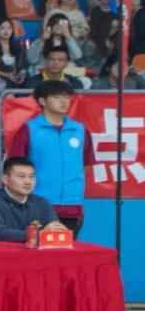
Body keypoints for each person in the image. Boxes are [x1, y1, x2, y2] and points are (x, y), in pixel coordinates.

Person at [8, 81, 94, 235]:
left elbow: (86, 164)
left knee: (68, 248)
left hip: (72, 205)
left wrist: (73, 189)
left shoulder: (80, 130)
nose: (64, 101)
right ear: (42, 101)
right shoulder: (29, 129)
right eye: (57, 97)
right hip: (38, 203)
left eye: (66, 97)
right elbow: (14, 167)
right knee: (37, 247)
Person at [0, 157, 66, 242]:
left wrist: (56, 230)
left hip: (34, 251)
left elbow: (55, 229)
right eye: (21, 176)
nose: (28, 182)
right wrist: (39, 234)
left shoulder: (42, 202)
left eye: (31, 177)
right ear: (5, 179)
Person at [0, 19, 27, 86]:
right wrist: (6, 75)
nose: (6, 31)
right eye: (2, 28)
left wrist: (21, 75)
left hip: (16, 78)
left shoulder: (18, 47)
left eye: (9, 28)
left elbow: (24, 65)